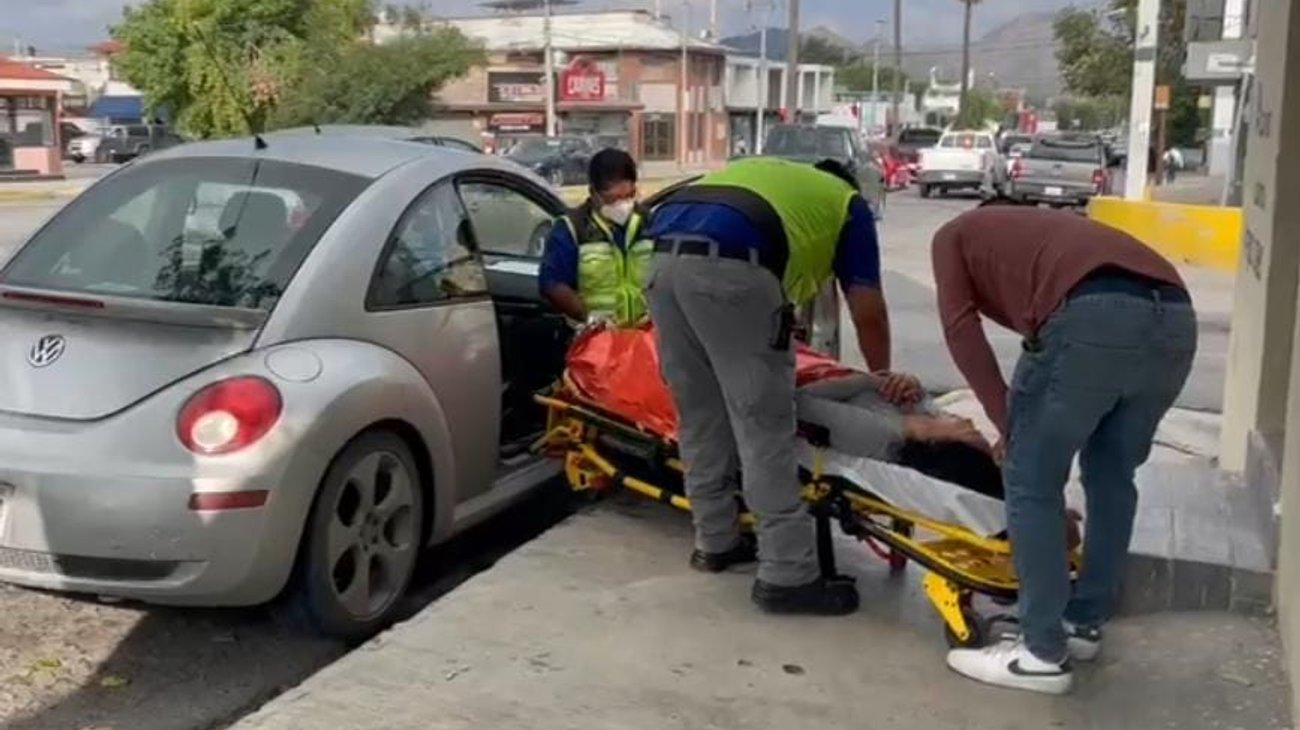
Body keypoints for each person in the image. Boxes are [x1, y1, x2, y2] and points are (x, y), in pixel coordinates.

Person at [932, 203, 1197, 695]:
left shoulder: (952, 235)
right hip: (1177, 317)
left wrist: (1006, 422)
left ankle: (1040, 653)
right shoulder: (1050, 233)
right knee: (1112, 473)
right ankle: (1084, 621)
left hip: (1091, 312)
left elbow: (960, 328)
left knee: (1031, 478)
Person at [644, 156, 919, 616]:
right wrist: (880, 377)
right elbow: (867, 306)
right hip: (729, 274)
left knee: (699, 414)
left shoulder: (771, 179)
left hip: (659, 266)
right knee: (763, 424)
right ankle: (788, 574)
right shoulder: (846, 205)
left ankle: (715, 540)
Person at [539, 148, 650, 327]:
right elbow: (553, 284)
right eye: (613, 199)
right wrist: (589, 319)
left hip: (646, 338)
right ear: (593, 192)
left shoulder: (650, 224)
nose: (622, 205)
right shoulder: (572, 228)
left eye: (628, 197)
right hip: (596, 341)